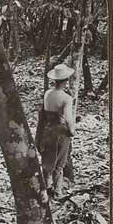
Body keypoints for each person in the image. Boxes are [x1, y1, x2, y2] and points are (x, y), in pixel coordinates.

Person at [39, 64, 76, 197]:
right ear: (66, 81)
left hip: (47, 130)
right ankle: (57, 191)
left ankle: (47, 186)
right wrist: (71, 131)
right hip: (60, 132)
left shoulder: (48, 93)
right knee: (60, 163)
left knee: (48, 159)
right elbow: (68, 118)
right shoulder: (66, 98)